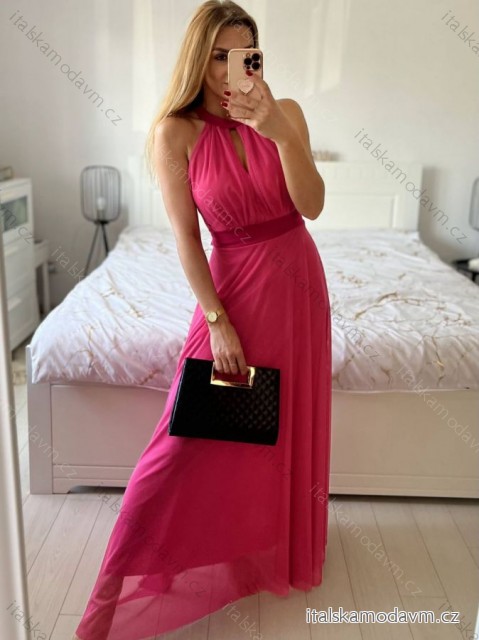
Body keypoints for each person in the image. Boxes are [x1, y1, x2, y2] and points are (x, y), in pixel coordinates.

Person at [73, 1, 331, 638]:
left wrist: (280, 132)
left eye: (242, 55)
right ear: (198, 58)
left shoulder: (287, 113)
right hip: (232, 290)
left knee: (281, 429)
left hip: (298, 287)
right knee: (180, 438)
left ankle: (265, 548)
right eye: (218, 56)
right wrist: (216, 319)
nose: (230, 70)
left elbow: (313, 206)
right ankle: (110, 598)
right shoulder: (175, 133)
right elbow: (188, 239)